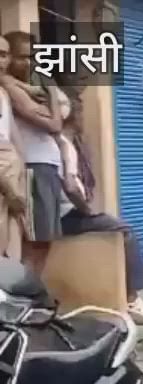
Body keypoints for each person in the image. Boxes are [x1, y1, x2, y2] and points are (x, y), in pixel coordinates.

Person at [58, 92, 143, 318]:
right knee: (125, 230)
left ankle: (132, 296)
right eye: (81, 113)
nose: (85, 119)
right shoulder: (66, 145)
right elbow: (71, 186)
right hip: (70, 215)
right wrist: (85, 209)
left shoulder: (65, 143)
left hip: (67, 213)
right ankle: (132, 297)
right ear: (73, 116)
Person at [2, 31, 62, 273]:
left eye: (31, 57)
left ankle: (29, 297)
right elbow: (54, 125)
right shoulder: (12, 88)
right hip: (32, 168)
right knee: (33, 242)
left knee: (41, 241)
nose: (27, 63)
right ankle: (26, 296)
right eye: (21, 57)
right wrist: (53, 99)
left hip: (38, 168)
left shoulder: (15, 88)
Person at [0, 36, 29, 260]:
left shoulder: (3, 93)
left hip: (12, 172)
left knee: (11, 240)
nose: (2, 61)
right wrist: (10, 190)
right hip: (3, 177)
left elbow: (12, 133)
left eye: (4, 55)